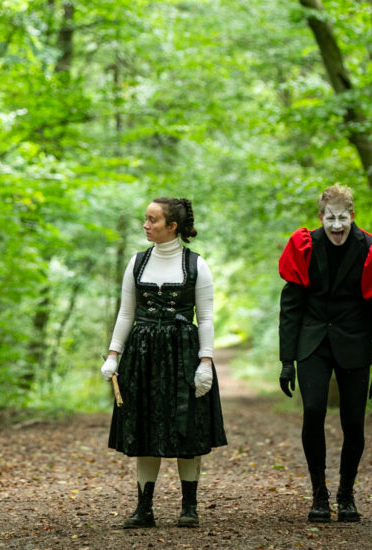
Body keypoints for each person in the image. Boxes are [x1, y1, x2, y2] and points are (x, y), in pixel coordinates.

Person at [101, 197, 227, 529]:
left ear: (172, 226)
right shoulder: (137, 262)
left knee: (187, 428)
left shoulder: (197, 265)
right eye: (145, 218)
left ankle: (189, 508)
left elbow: (207, 318)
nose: (146, 225)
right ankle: (144, 508)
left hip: (183, 354)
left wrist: (205, 362)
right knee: (145, 428)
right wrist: (113, 354)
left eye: (153, 220)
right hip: (142, 356)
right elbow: (126, 313)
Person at [277, 184, 372, 523]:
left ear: (352, 216)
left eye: (342, 218)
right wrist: (287, 361)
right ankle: (319, 494)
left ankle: (346, 494)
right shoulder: (305, 248)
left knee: (354, 422)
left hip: (354, 342)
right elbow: (290, 309)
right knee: (314, 411)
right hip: (313, 342)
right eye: (330, 218)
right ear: (320, 217)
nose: (336, 226)